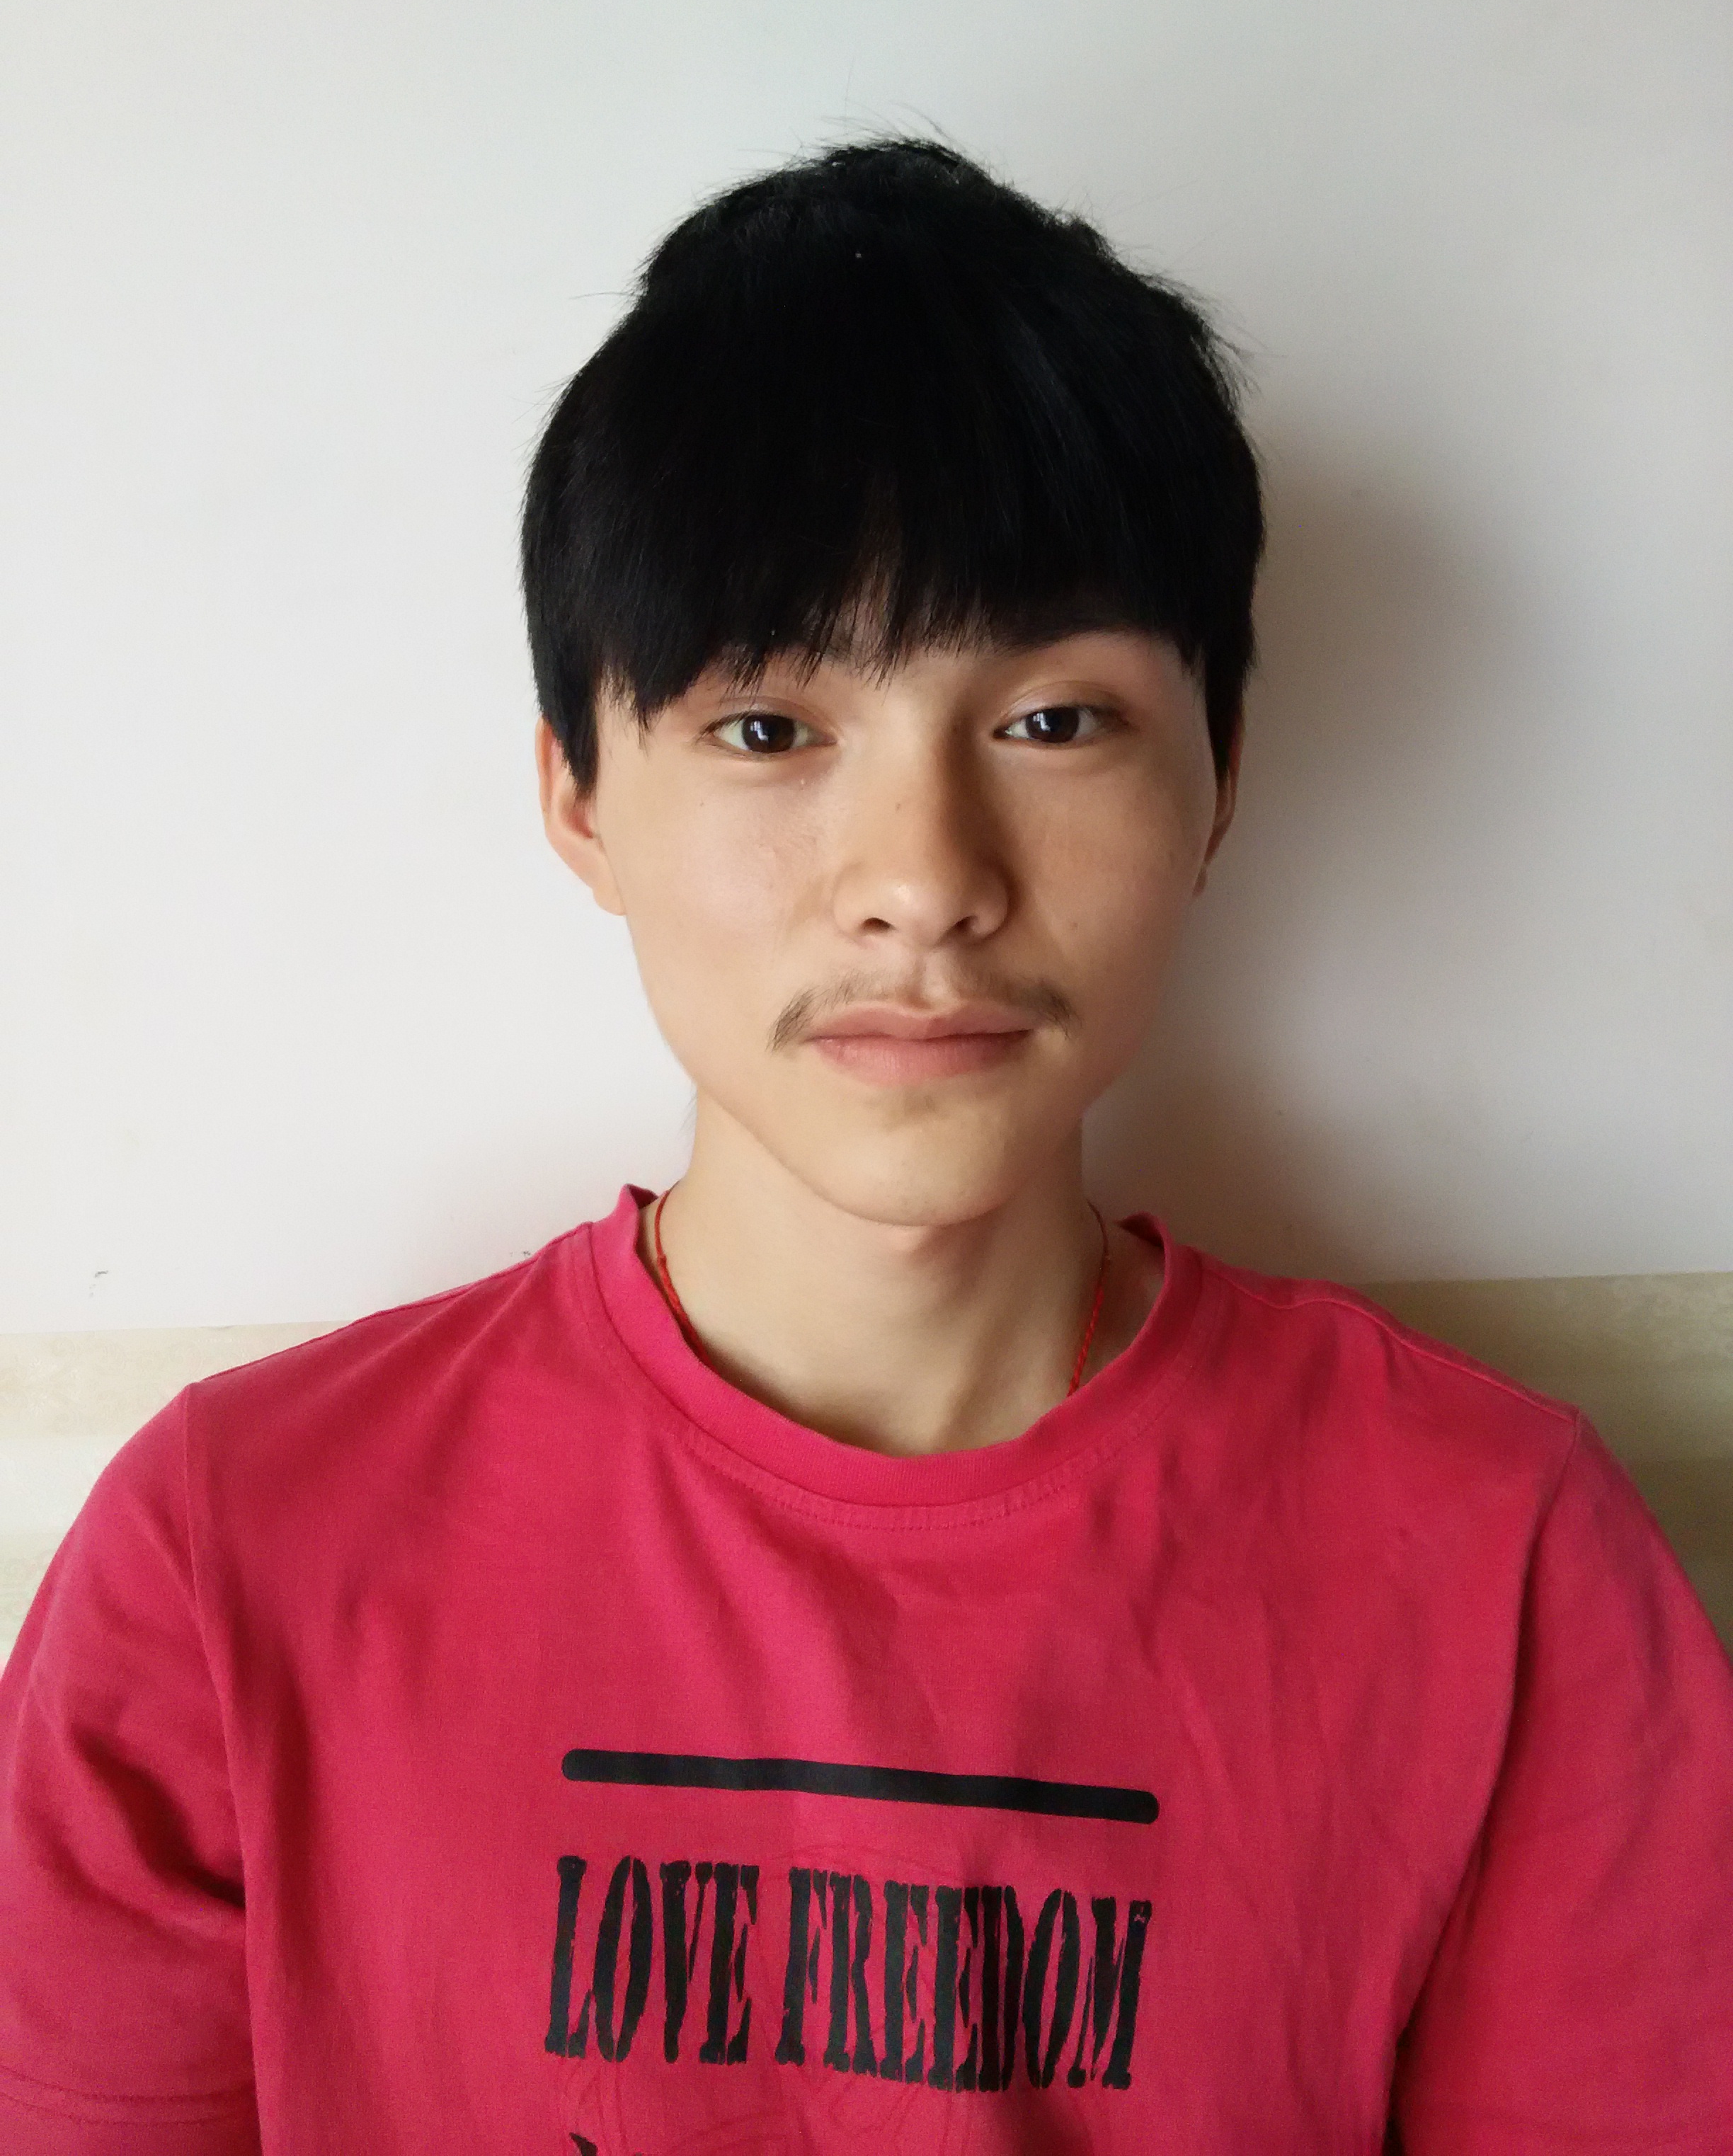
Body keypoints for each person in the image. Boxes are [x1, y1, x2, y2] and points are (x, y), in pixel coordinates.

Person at [1, 137, 1729, 2155]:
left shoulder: (1504, 1572)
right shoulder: (229, 1561)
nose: (921, 881)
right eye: (769, 728)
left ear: (1221, 782)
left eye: (1054, 721)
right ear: (579, 798)